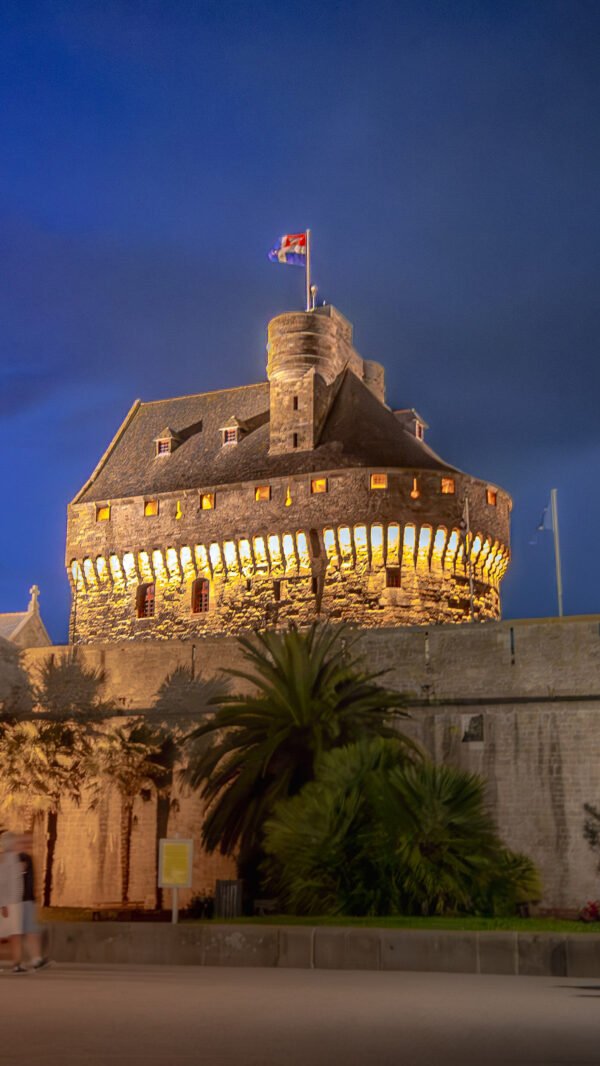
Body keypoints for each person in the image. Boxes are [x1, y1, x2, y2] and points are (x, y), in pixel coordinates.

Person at [14, 833, 48, 971]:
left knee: (29, 931)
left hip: (26, 900)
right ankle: (31, 960)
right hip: (21, 900)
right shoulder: (21, 858)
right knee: (27, 931)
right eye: (25, 842)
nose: (29, 844)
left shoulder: (25, 857)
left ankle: (35, 958)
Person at [0, 831, 26, 973]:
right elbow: (2, 883)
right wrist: (3, 904)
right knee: (6, 935)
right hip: (10, 904)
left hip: (15, 903)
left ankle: (17, 963)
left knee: (15, 934)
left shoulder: (13, 858)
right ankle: (17, 963)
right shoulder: (6, 859)